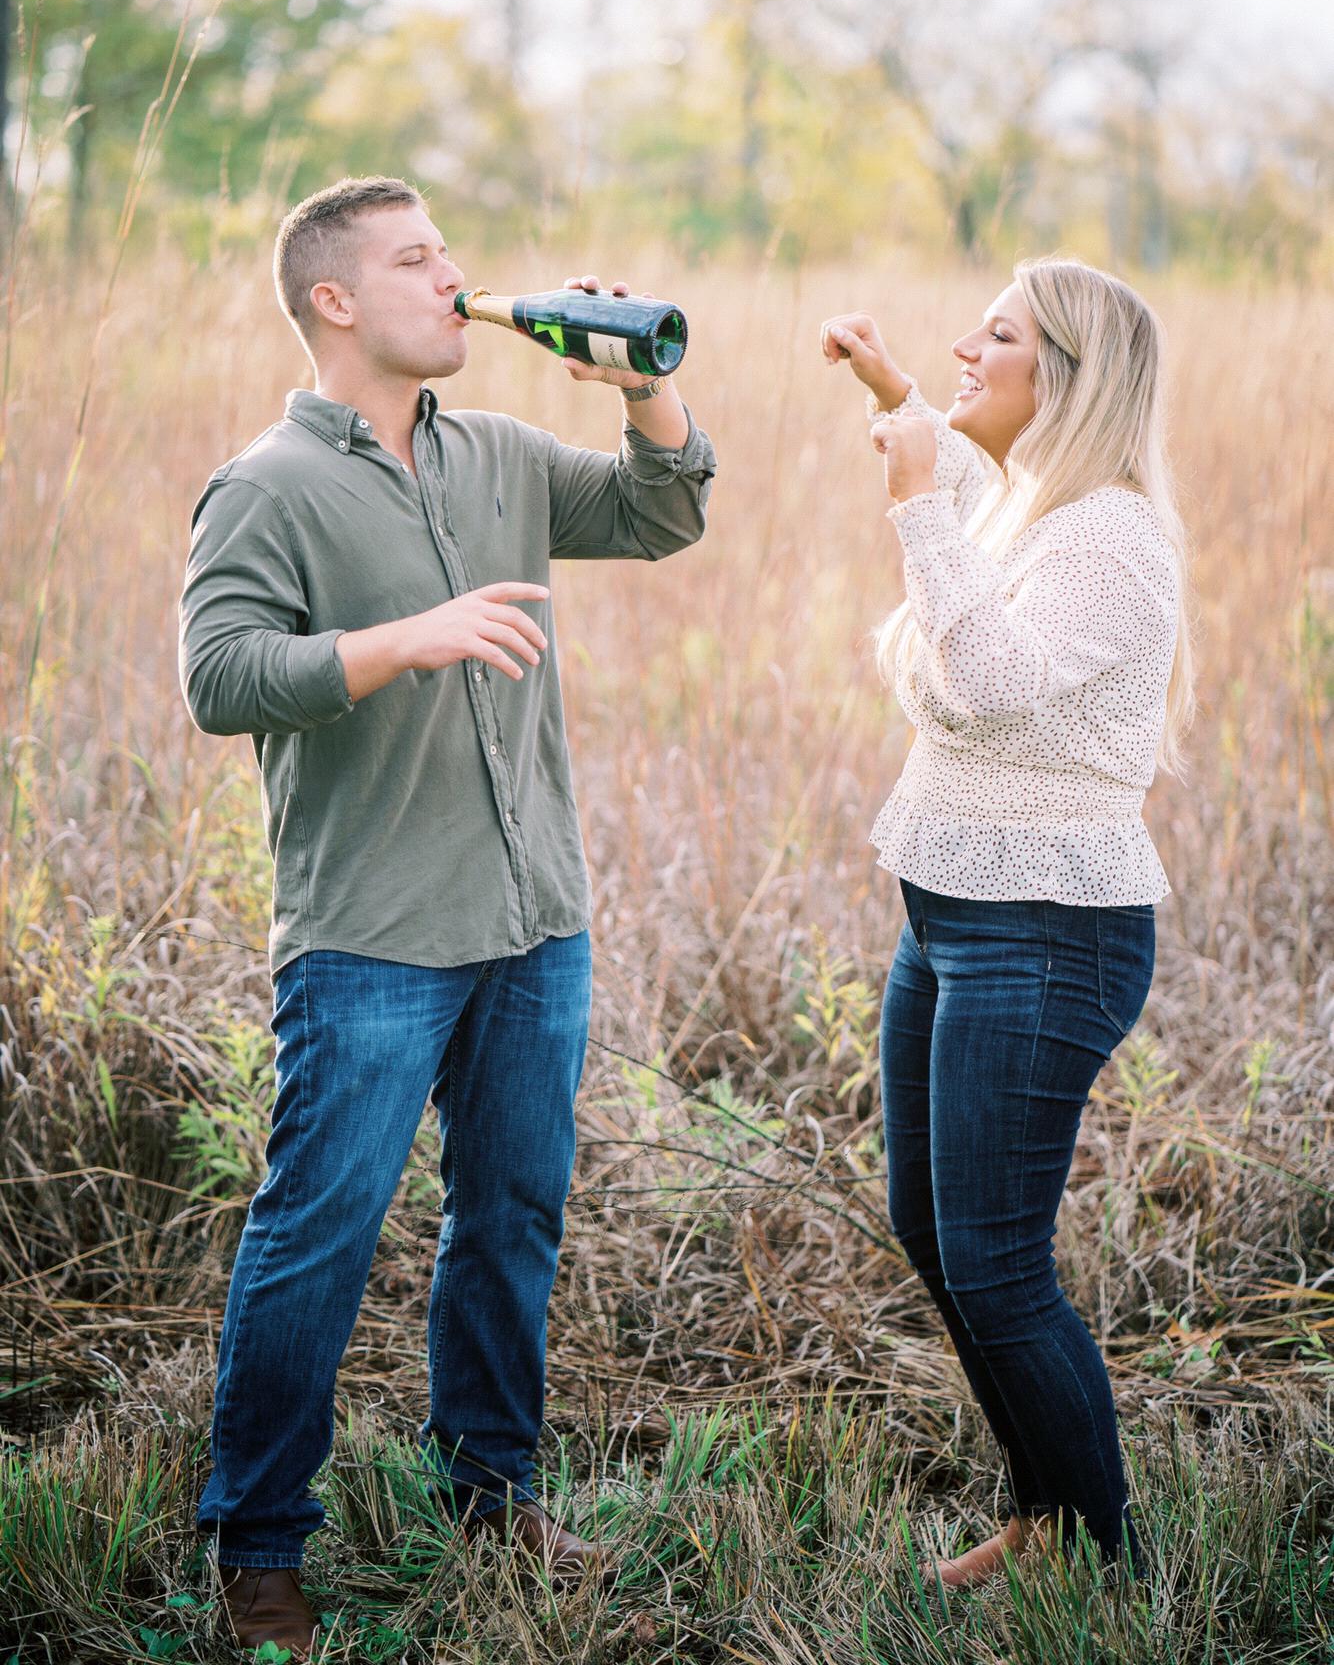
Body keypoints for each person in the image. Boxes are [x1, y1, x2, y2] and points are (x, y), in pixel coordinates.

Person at [179, 176, 715, 1657]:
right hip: (370, 937)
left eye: (449, 254)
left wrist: (641, 390)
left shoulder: (502, 455)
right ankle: (257, 1550)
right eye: (418, 260)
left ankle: (493, 1496)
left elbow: (663, 514)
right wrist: (401, 641)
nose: (453, 277)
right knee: (319, 1234)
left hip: (536, 922)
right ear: (336, 299)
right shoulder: (266, 485)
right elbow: (220, 679)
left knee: (512, 1220)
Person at [820, 258, 1193, 1589]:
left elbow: (981, 680)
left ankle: (1097, 1554)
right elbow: (970, 479)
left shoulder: (1113, 539)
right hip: (953, 922)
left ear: (1069, 381)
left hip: (1045, 936)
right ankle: (1046, 1520)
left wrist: (913, 496)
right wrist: (895, 395)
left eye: (996, 337)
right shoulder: (1039, 507)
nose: (963, 352)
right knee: (938, 1235)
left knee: (994, 1263)